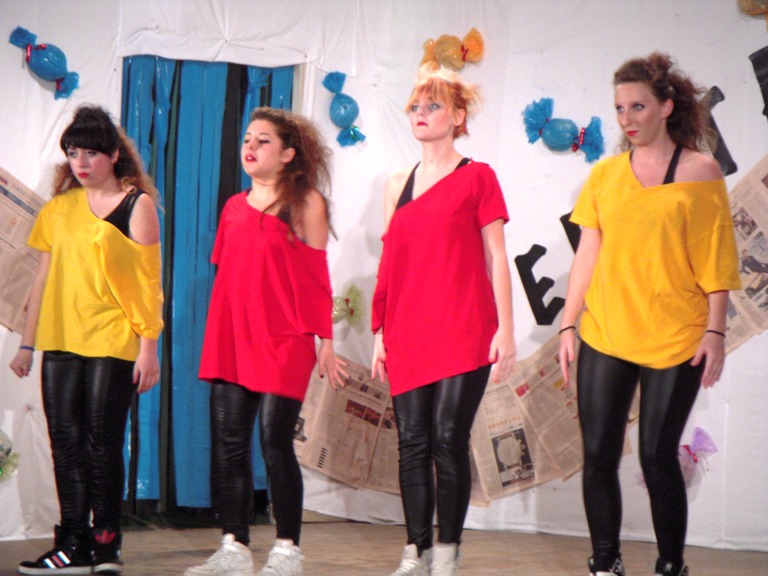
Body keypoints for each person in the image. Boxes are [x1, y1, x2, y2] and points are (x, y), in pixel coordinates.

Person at [558, 53, 741, 576]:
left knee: (657, 454)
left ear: (666, 106)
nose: (627, 119)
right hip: (606, 330)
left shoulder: (701, 170)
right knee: (598, 453)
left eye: (638, 106)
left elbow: (716, 259)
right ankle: (605, 562)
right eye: (620, 109)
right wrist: (569, 323)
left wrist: (715, 331)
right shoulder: (604, 175)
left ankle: (670, 564)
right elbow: (587, 255)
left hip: (677, 333)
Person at [184, 107, 347, 576]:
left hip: (284, 338)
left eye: (263, 140)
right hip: (233, 336)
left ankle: (287, 550)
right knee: (228, 445)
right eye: (247, 139)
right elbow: (232, 276)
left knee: (275, 444)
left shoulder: (306, 203)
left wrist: (325, 340)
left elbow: (316, 279)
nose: (250, 147)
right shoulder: (234, 207)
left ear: (288, 154)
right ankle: (233, 546)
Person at [371, 68, 517, 576]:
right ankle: (416, 551)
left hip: (464, 324)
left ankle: (448, 552)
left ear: (457, 117)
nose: (421, 114)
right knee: (412, 442)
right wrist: (380, 332)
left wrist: (506, 329)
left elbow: (498, 256)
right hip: (408, 327)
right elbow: (391, 262)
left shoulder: (478, 176)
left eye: (432, 106)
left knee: (447, 437)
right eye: (415, 106)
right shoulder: (397, 183)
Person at [9, 105, 164, 574]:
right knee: (65, 442)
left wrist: (149, 349)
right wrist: (27, 344)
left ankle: (105, 544)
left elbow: (148, 283)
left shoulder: (136, 205)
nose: (81, 162)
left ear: (114, 155)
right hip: (60, 339)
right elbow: (40, 280)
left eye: (91, 153)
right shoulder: (57, 210)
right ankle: (72, 544)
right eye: (73, 152)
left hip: (112, 339)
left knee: (102, 442)